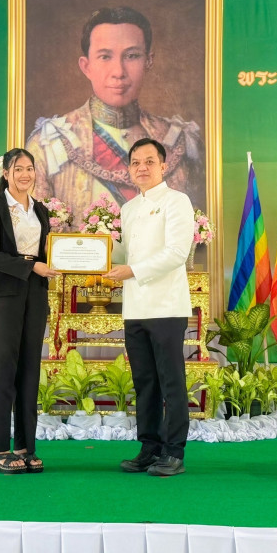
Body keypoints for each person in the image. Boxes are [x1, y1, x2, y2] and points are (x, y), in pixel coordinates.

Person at [26, 6, 205, 216]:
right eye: (105, 57)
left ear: (148, 61)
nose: (118, 72)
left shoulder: (180, 142)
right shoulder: (48, 144)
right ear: (86, 66)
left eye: (132, 56)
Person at [104, 138, 194, 477]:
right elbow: (125, 255)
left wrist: (132, 271)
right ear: (129, 169)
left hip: (166, 305)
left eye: (149, 161)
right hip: (135, 307)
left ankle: (174, 452)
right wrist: (94, 249)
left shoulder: (177, 201)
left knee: (171, 380)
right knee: (144, 381)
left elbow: (177, 253)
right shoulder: (128, 209)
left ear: (163, 166)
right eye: (135, 162)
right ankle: (149, 447)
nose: (142, 167)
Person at [0, 148, 60, 474]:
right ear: (6, 173)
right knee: (2, 369)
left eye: (30, 168)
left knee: (29, 370)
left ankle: (26, 447)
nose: (25, 174)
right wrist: (32, 266)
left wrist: (60, 257)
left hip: (34, 295)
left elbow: (46, 252)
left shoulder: (40, 210)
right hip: (4, 296)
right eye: (18, 169)